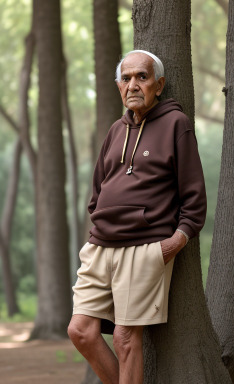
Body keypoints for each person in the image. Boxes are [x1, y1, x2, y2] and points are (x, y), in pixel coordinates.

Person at [68, 50, 207, 384]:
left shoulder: (177, 124)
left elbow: (194, 199)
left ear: (158, 85)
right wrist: (98, 224)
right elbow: (97, 193)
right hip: (100, 247)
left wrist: (171, 244)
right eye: (126, 78)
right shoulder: (116, 130)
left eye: (142, 77)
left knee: (126, 338)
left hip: (145, 249)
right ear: (118, 87)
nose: (133, 85)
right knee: (80, 331)